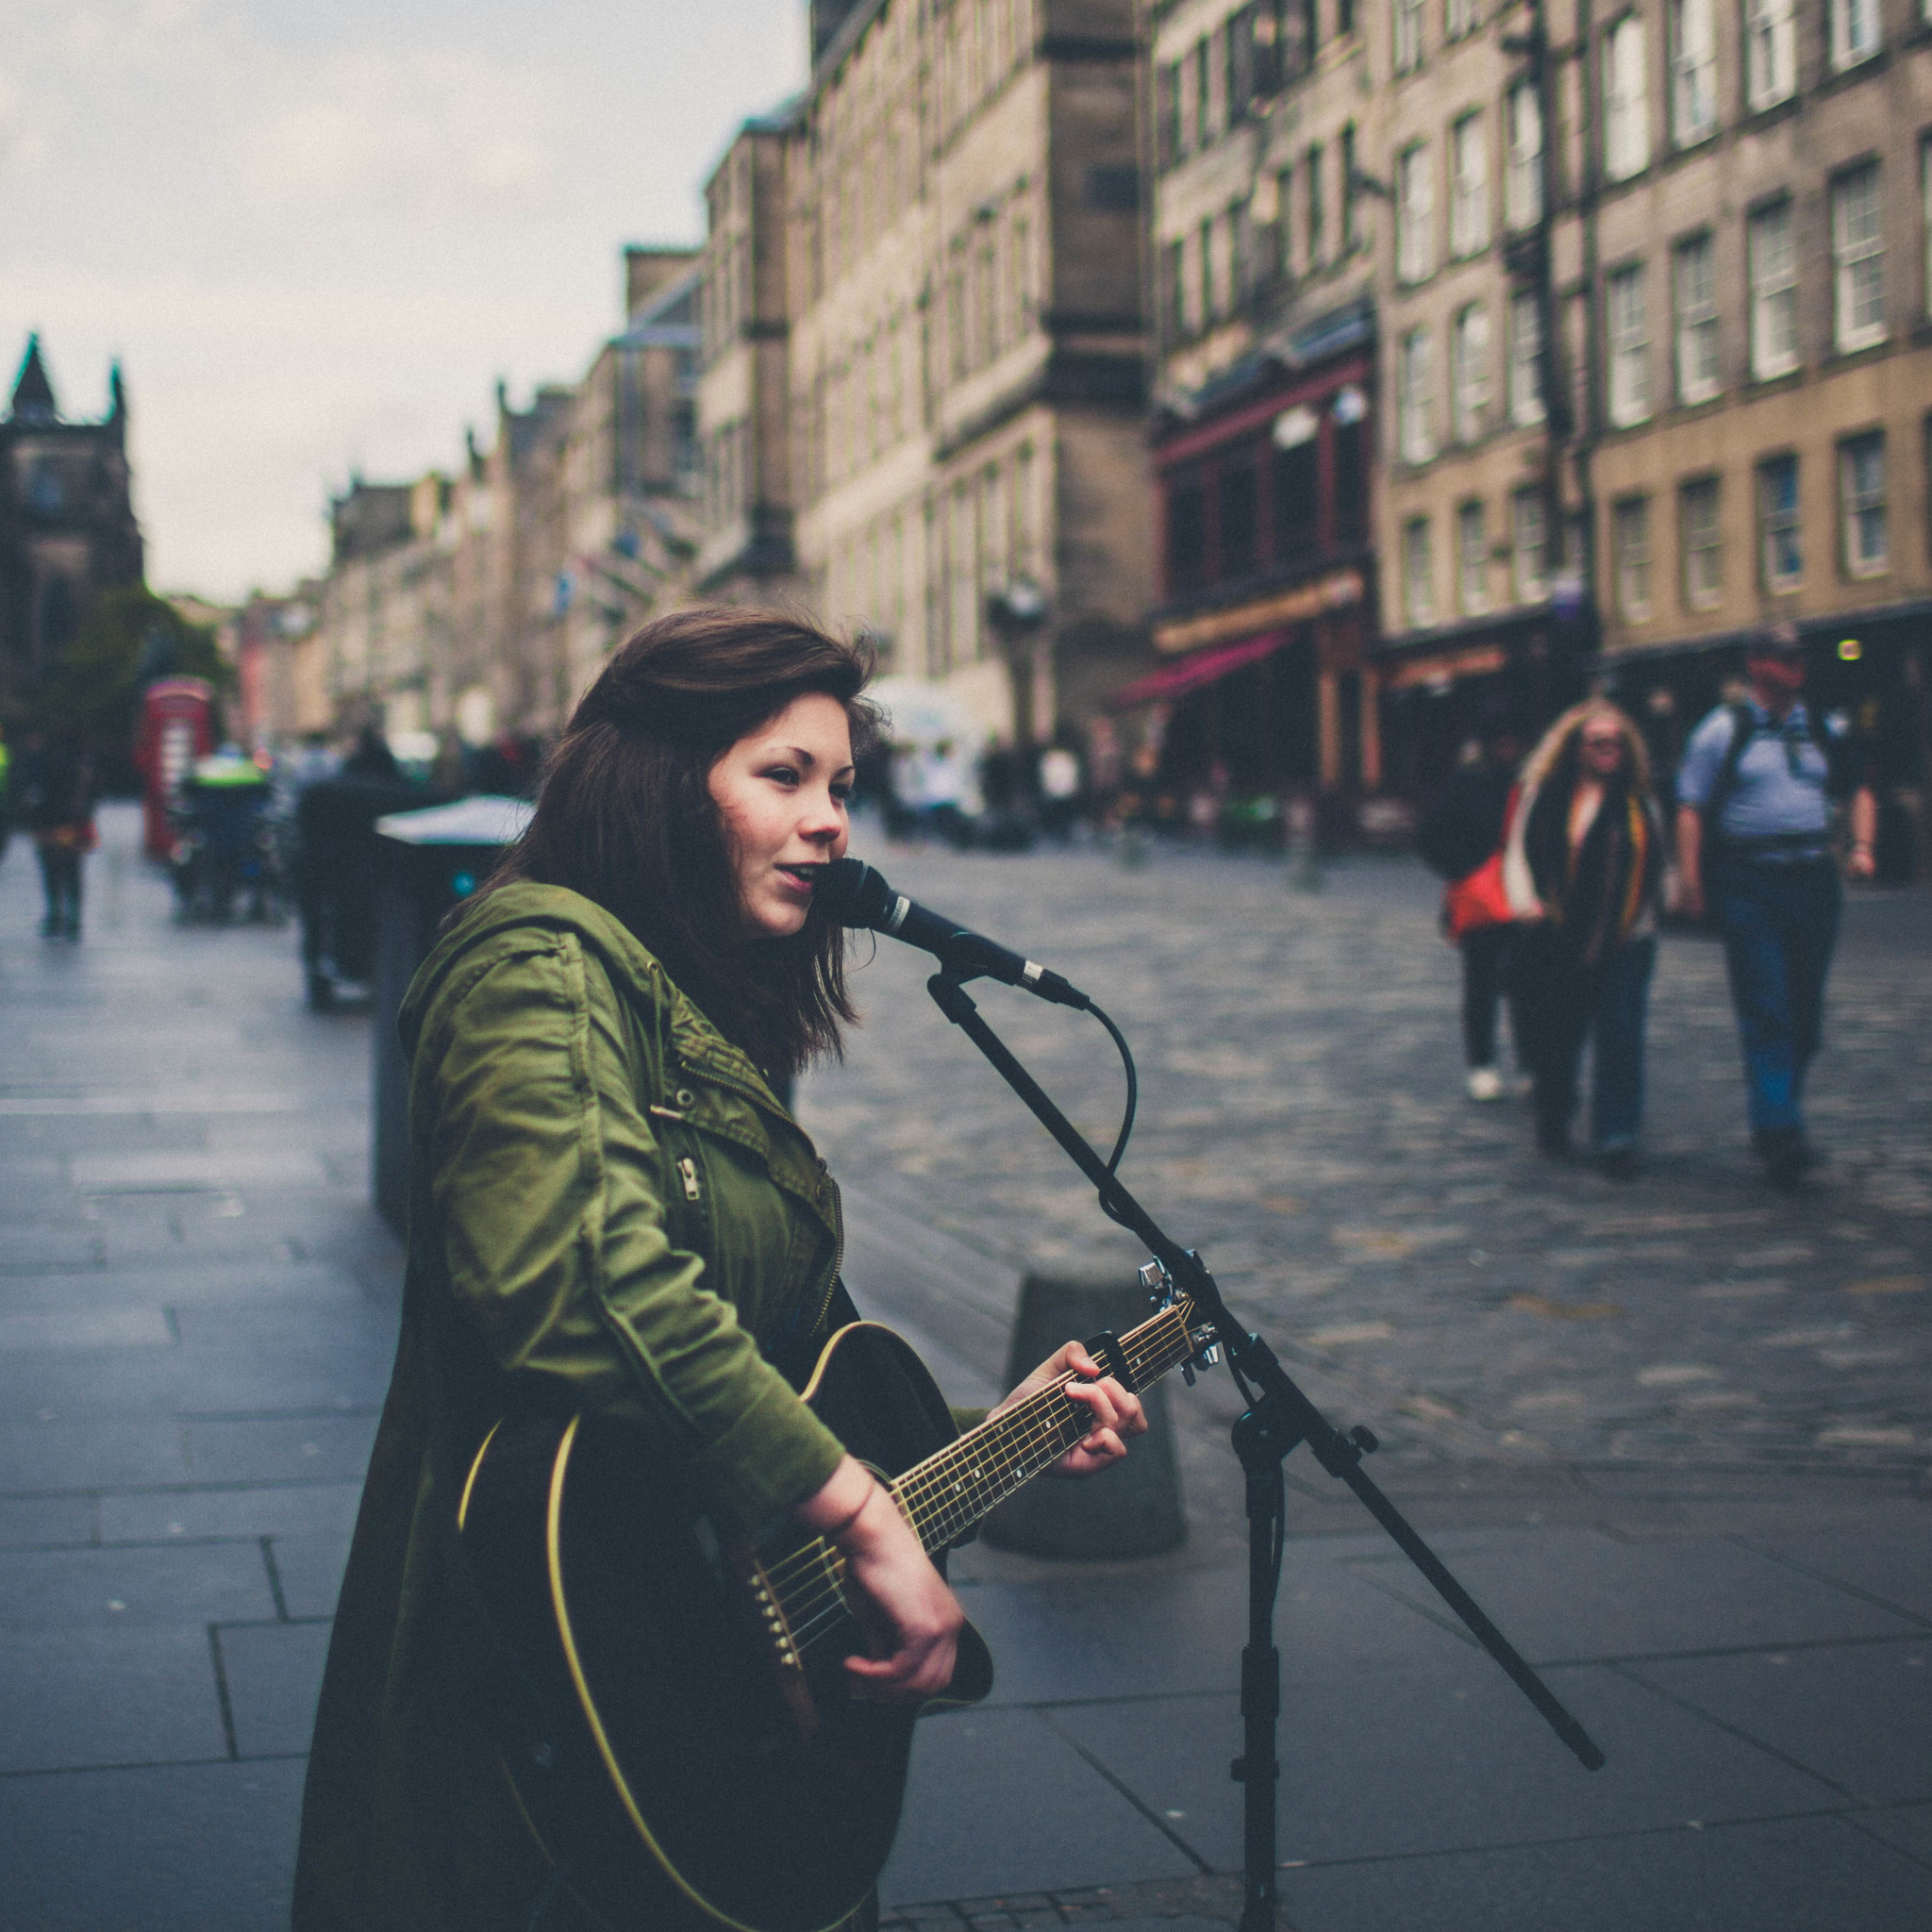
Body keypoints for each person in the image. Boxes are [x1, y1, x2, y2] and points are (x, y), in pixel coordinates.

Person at [292, 609, 1146, 1932]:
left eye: (844, 788)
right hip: (543, 1712)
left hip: (706, 1720)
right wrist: (862, 1516)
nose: (831, 824)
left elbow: (768, 1395)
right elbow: (585, 1276)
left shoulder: (702, 1004)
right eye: (783, 775)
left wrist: (999, 1435)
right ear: (657, 782)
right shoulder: (537, 962)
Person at [1674, 624, 1877, 1187]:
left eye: (1800, 656)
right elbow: (1690, 805)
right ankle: (1779, 1129)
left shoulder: (1821, 726)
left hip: (1813, 878)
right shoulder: (1724, 729)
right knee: (1768, 1006)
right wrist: (1691, 879)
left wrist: (1861, 847)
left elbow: (1856, 786)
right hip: (1749, 880)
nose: (1797, 666)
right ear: (1756, 663)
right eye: (1785, 657)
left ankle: (1778, 1110)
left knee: (1805, 1014)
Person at [1505, 701, 1667, 1177]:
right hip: (1556, 932)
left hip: (1627, 937)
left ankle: (1617, 1137)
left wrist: (1659, 908)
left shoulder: (1639, 803)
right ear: (1575, 748)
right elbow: (1517, 851)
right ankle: (1554, 1115)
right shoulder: (1547, 794)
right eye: (1596, 741)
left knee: (1621, 1037)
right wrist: (1526, 904)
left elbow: (1658, 862)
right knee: (1557, 1033)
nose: (1607, 749)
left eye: (1615, 742)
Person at [1416, 715, 1526, 1102]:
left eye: (1515, 742)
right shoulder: (1467, 784)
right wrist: (1466, 871)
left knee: (1526, 984)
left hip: (1526, 898)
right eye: (1503, 742)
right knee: (1481, 985)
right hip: (1481, 901)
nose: (1509, 750)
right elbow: (1428, 836)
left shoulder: (1529, 785)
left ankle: (1530, 1064)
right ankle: (1482, 1065)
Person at [12, 727, 96, 939]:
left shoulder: (42, 762)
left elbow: (31, 792)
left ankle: (55, 913)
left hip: (48, 826)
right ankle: (74, 916)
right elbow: (93, 795)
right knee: (72, 870)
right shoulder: (82, 766)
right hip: (72, 824)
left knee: (50, 869)